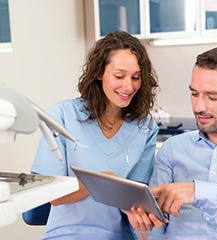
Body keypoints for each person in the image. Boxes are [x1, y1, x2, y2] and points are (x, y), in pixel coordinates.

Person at [30, 31, 159, 240]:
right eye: (119, 76)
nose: (129, 86)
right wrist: (105, 181)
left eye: (136, 78)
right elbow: (52, 195)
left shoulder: (145, 126)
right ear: (99, 73)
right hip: (66, 235)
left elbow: (137, 200)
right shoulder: (63, 116)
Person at [125, 46, 217, 239]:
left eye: (212, 97)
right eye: (194, 94)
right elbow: (154, 226)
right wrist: (142, 224)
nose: (198, 106)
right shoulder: (173, 149)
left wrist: (199, 192)